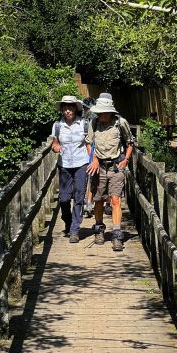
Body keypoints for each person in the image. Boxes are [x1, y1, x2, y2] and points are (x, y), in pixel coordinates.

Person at [86, 94, 135, 251]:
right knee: (99, 200)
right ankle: (99, 229)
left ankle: (116, 235)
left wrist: (126, 159)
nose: (101, 115)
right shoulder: (93, 122)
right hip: (98, 166)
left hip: (115, 166)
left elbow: (130, 142)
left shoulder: (121, 123)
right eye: (99, 112)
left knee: (115, 199)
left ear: (110, 112)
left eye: (103, 112)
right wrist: (92, 158)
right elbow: (88, 142)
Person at [51, 95, 89, 243]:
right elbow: (54, 143)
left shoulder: (84, 124)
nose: (68, 110)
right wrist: (56, 148)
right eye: (65, 108)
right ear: (62, 109)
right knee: (64, 198)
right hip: (65, 164)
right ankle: (67, 219)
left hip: (81, 163)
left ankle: (74, 230)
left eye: (70, 107)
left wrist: (92, 161)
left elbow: (88, 144)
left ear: (75, 108)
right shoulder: (57, 125)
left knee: (79, 196)